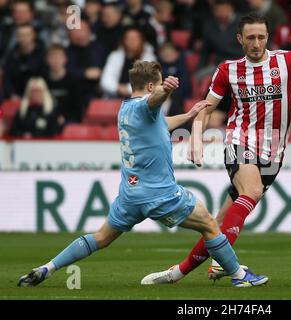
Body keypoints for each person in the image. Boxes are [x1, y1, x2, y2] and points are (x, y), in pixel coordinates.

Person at [17, 60, 268, 288]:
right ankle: (238, 276)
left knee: (101, 237)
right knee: (211, 225)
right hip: (160, 194)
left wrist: (189, 115)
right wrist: (167, 88)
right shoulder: (145, 106)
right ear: (150, 85)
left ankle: (47, 268)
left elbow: (161, 123)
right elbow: (154, 100)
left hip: (129, 196)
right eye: (157, 84)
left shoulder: (125, 109)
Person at [143, 12, 291, 283]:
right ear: (240, 39)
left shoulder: (286, 60)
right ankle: (237, 273)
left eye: (261, 37)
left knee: (217, 223)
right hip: (239, 141)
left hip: (273, 153)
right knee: (251, 190)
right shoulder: (228, 70)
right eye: (250, 37)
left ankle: (178, 272)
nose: (256, 43)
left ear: (268, 37)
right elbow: (207, 109)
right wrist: (196, 137)